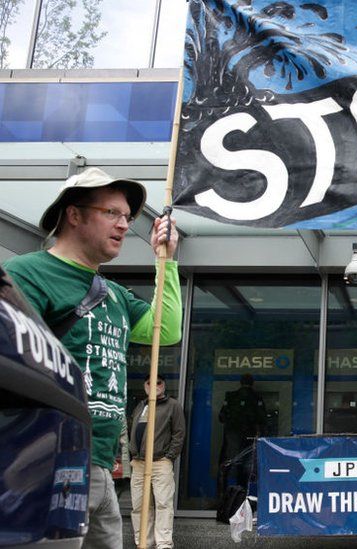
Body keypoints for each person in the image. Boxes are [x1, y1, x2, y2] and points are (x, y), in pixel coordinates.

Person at [4, 167, 182, 549]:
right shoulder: (26, 274)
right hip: (48, 460)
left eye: (127, 218)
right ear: (74, 214)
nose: (124, 225)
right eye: (111, 213)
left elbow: (165, 330)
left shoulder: (112, 293)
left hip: (102, 463)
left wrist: (165, 261)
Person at [129, 375, 186, 549]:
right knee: (139, 506)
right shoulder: (141, 405)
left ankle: (163, 544)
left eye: (158, 382)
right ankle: (143, 542)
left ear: (164, 385)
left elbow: (179, 433)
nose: (154, 385)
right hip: (138, 463)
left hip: (160, 462)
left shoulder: (173, 405)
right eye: (150, 382)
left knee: (163, 504)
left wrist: (169, 457)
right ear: (145, 386)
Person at [218, 373, 266, 491]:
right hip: (249, 437)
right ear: (252, 383)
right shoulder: (256, 397)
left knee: (225, 466)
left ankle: (222, 496)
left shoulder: (231, 396)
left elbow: (221, 417)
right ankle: (243, 495)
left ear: (240, 382)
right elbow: (262, 418)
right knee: (245, 466)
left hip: (231, 437)